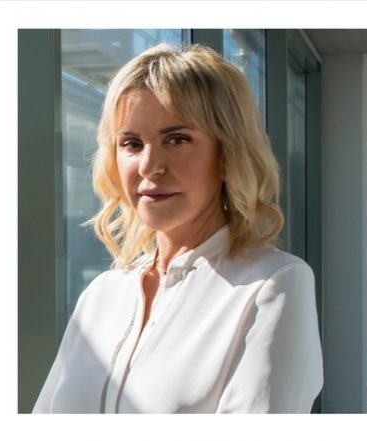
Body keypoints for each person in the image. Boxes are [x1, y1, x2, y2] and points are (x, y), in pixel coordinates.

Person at [33, 43, 323, 414]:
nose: (149, 166)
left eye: (177, 139)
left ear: (227, 153)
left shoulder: (273, 285)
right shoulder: (101, 295)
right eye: (132, 143)